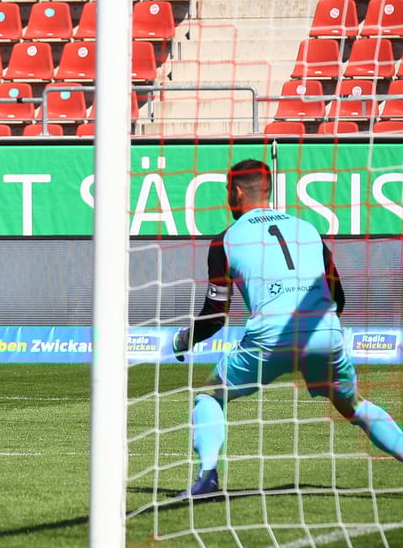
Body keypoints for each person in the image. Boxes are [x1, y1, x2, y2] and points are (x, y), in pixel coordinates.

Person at [172, 159, 403, 499]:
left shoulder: (226, 240)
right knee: (352, 405)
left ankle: (207, 477)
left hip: (270, 338)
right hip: (323, 332)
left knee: (210, 394)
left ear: (236, 192)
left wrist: (183, 340)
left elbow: (215, 316)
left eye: (226, 192)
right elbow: (337, 294)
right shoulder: (307, 229)